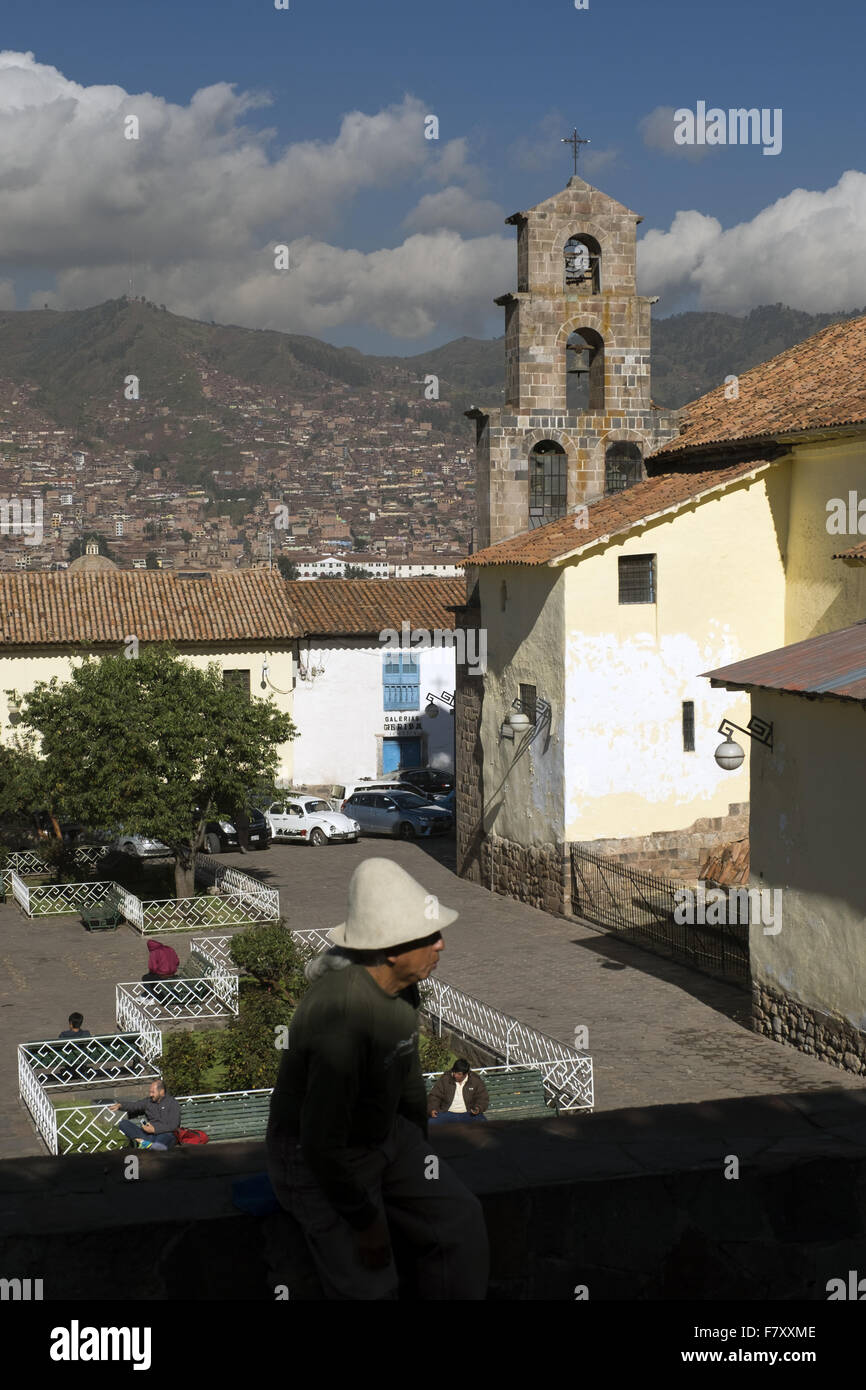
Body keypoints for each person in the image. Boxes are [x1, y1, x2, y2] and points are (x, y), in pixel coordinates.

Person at [266, 857, 489, 1300]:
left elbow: (406, 1079)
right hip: (323, 1160)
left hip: (385, 1136)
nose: (440, 945)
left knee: (459, 1224)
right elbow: (320, 1142)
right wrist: (365, 1222)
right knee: (372, 1285)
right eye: (428, 937)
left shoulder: (401, 989)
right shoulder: (342, 1017)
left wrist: (419, 1154)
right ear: (391, 949)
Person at [109, 1079, 180, 1150]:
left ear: (161, 1091)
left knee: (166, 1138)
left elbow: (174, 1125)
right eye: (150, 1092)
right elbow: (135, 1105)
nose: (150, 1094)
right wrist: (120, 1105)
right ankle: (144, 1143)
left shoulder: (172, 1103)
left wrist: (154, 1129)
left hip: (165, 1134)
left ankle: (154, 1146)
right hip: (148, 1135)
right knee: (123, 1124)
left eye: (153, 1092)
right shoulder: (148, 1101)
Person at [428, 1060, 490, 1124]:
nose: (455, 1075)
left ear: (466, 1074)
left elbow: (482, 1098)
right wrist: (432, 1108)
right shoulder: (445, 1079)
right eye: (454, 1072)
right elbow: (434, 1096)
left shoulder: (475, 1080)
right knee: (430, 1123)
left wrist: (478, 1108)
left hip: (469, 1113)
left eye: (459, 1074)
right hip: (447, 1113)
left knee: (484, 1125)